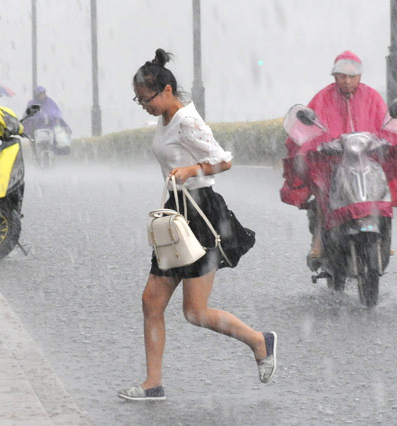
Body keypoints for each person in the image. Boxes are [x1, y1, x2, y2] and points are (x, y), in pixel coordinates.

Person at [117, 49, 277, 402]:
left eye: (147, 99)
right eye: (139, 100)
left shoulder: (187, 120)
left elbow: (223, 160)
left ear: (168, 90)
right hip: (176, 214)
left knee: (195, 311)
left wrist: (191, 170)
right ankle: (152, 383)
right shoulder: (165, 119)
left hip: (201, 214)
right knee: (151, 302)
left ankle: (259, 341)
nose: (144, 106)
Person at [280, 50, 397, 259]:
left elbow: (384, 125)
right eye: (342, 76)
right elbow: (310, 129)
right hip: (333, 162)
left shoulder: (371, 97)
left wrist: (388, 142)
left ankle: (383, 233)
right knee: (322, 191)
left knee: (382, 189)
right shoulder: (322, 97)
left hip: (367, 160)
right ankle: (318, 242)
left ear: (360, 77)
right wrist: (319, 145)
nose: (347, 81)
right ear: (335, 77)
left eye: (352, 76)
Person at [25, 86, 72, 154]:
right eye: (40, 94)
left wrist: (54, 118)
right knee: (34, 141)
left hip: (49, 127)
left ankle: (55, 151)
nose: (42, 95)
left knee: (54, 139)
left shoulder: (49, 102)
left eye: (43, 93)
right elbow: (28, 115)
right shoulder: (32, 103)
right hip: (36, 128)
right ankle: (35, 155)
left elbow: (56, 111)